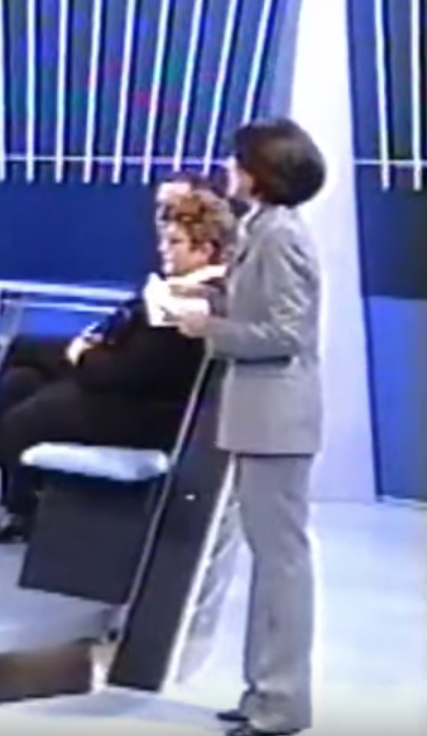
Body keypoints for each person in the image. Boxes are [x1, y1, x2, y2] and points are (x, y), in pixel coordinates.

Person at [0, 189, 234, 543]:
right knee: (19, 381)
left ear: (205, 250)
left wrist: (84, 356)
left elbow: (137, 372)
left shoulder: (194, 300)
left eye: (174, 243)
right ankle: (12, 503)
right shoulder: (178, 287)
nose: (162, 249)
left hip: (146, 412)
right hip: (123, 387)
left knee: (21, 418)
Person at [174, 118, 325, 736]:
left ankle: (281, 703)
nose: (228, 170)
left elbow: (289, 333)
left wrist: (210, 329)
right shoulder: (260, 228)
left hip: (278, 419)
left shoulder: (282, 236)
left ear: (260, 172)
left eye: (237, 162)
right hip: (260, 417)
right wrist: (205, 305)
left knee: (281, 565)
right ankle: (264, 692)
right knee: (270, 563)